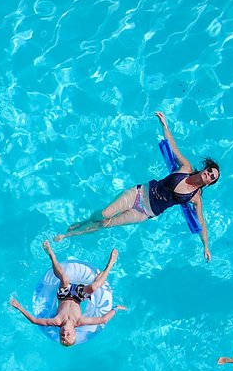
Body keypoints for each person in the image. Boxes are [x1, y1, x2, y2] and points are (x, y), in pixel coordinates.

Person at [55, 110, 218, 261]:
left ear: (209, 183)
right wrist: (165, 126)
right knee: (106, 213)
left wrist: (206, 246)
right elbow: (173, 148)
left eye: (212, 177)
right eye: (210, 170)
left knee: (105, 224)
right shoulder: (186, 168)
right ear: (206, 167)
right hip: (139, 193)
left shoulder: (195, 198)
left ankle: (68, 235)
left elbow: (201, 223)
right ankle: (85, 221)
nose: (209, 174)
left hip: (145, 213)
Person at [9, 241, 127, 347]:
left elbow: (34, 321)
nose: (65, 333)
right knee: (93, 287)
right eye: (68, 334)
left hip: (64, 295)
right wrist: (116, 309)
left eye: (62, 335)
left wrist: (18, 306)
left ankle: (51, 255)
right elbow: (102, 319)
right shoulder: (79, 321)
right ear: (74, 331)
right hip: (78, 297)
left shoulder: (57, 321)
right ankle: (110, 263)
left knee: (64, 279)